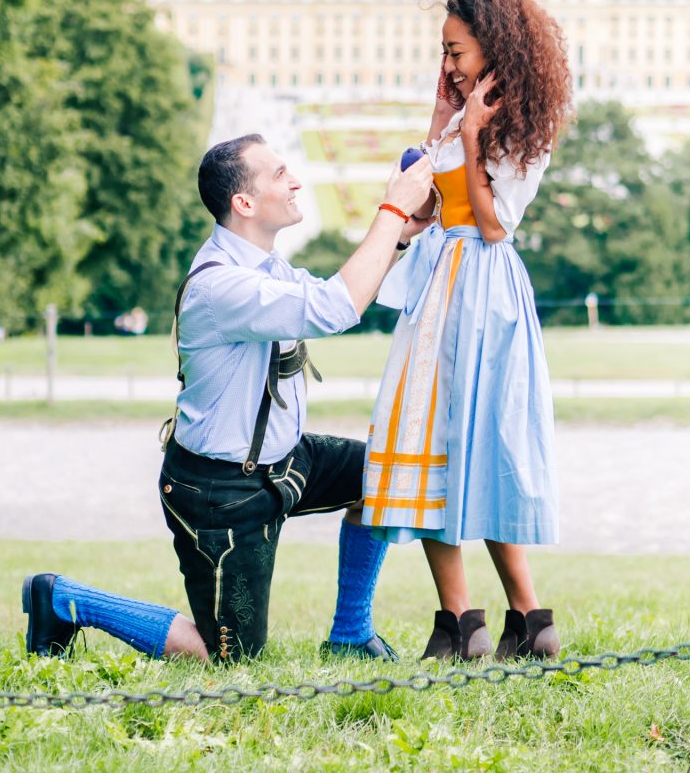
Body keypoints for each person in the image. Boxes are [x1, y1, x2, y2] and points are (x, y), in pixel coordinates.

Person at [24, 134, 433, 662]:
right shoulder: (223, 287)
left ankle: (351, 633)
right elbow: (337, 307)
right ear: (244, 203)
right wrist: (392, 209)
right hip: (220, 493)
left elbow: (340, 291)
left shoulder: (265, 264)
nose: (296, 181)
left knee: (384, 478)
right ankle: (61, 599)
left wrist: (397, 238)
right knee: (228, 659)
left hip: (281, 461)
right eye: (280, 174)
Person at [361, 0, 573, 662]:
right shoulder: (460, 111)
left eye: (456, 52)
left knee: (467, 444)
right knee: (436, 446)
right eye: (445, 52)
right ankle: (498, 619)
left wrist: (475, 135)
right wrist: (442, 121)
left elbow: (492, 225)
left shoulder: (520, 128)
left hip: (479, 291)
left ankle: (492, 621)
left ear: (496, 48)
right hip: (442, 285)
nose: (448, 64)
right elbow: (427, 203)